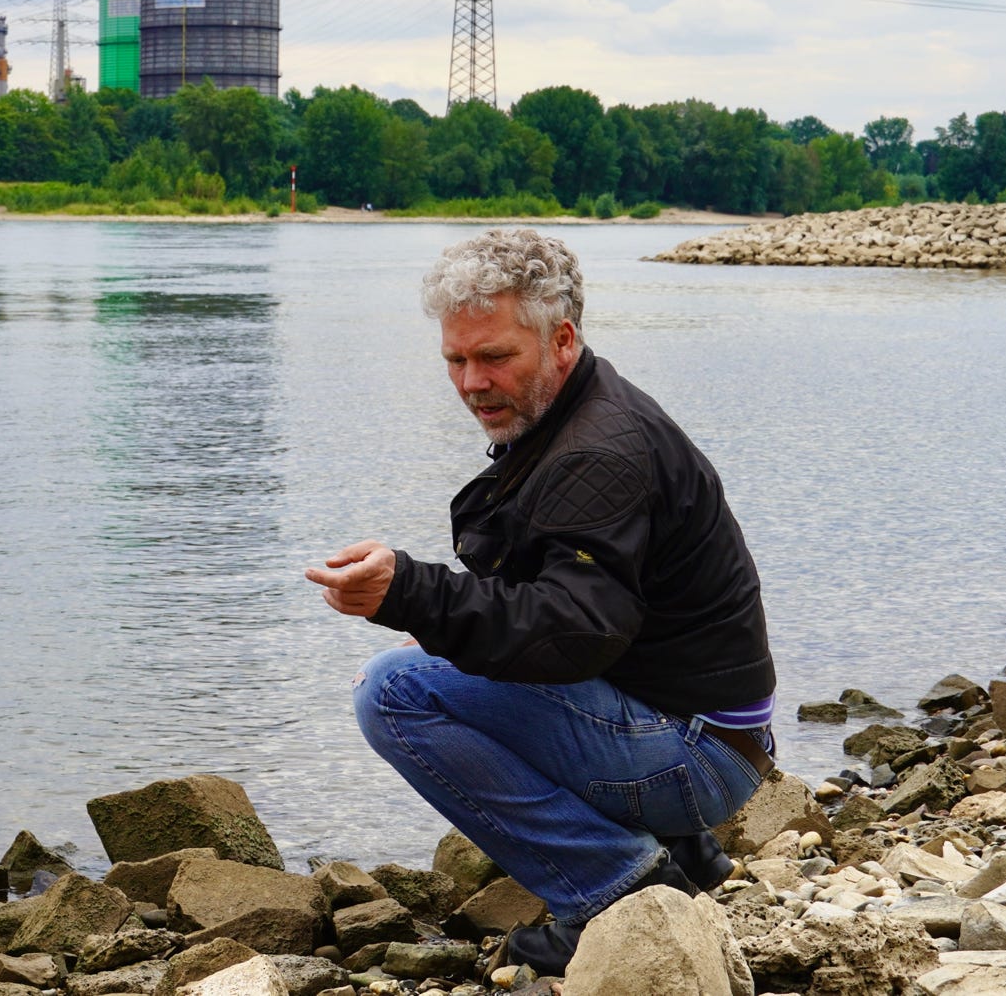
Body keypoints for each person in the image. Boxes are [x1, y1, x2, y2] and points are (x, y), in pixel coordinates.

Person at [305, 228, 774, 976]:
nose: (471, 383)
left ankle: (614, 887)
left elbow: (575, 635)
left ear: (561, 340)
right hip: (711, 730)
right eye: (455, 360)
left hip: (698, 755)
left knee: (391, 695)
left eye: (495, 357)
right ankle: (681, 850)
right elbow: (569, 606)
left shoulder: (597, 451)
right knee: (427, 662)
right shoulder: (579, 412)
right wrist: (437, 630)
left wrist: (412, 593)